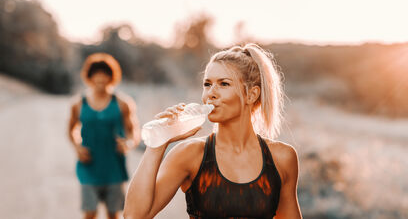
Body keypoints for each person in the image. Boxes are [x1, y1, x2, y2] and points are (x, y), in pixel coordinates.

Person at [124, 43, 302, 219]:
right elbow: (134, 215)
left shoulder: (282, 158)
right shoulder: (190, 154)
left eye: (224, 84)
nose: (210, 93)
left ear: (251, 94)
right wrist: (157, 144)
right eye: (207, 84)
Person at [68, 53, 141, 219]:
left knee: (113, 215)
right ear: (90, 78)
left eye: (104, 80)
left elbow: (134, 131)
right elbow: (70, 129)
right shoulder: (79, 103)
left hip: (114, 169)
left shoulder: (123, 103)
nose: (100, 84)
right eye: (97, 80)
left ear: (111, 79)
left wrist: (128, 144)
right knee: (90, 214)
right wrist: (77, 147)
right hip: (89, 168)